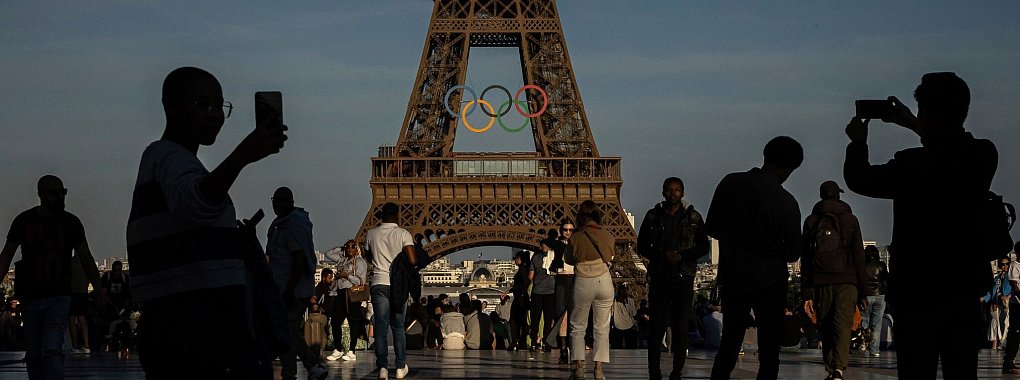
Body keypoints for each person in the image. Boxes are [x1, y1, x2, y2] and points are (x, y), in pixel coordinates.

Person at [126, 66, 288, 379]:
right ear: (170, 106)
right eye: (203, 104)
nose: (214, 114)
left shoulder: (176, 161)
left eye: (220, 106)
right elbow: (196, 202)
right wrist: (243, 154)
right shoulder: (166, 156)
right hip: (194, 325)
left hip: (185, 323)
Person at [844, 72, 998, 378]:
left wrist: (858, 144)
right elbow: (951, 151)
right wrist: (915, 123)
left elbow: (859, 179)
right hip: (964, 284)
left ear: (925, 112)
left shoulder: (910, 165)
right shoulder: (983, 155)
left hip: (917, 289)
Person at [706, 136, 803, 380]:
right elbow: (793, 252)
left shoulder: (731, 183)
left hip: (734, 274)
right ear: (790, 169)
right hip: (770, 280)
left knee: (729, 343)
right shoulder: (787, 202)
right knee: (769, 349)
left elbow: (713, 228)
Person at [0, 175, 102, 379]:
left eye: (62, 193)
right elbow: (86, 259)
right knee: (43, 351)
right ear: (41, 194)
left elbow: (7, 255)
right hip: (41, 294)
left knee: (46, 350)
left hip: (50, 294)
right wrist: (98, 290)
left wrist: (99, 289)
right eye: (56, 193)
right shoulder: (68, 222)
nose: (60, 197)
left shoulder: (26, 220)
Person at [637, 176, 711, 380]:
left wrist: (681, 256)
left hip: (683, 277)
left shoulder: (693, 217)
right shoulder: (653, 216)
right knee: (657, 328)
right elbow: (641, 245)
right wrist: (663, 256)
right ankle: (655, 372)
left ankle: (676, 371)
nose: (672, 193)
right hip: (661, 277)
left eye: (676, 190)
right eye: (669, 190)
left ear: (682, 193)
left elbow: (704, 246)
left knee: (680, 328)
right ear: (663, 192)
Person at [801, 180, 867, 380]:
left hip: (821, 281)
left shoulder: (811, 221)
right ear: (838, 195)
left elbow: (806, 259)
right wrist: (863, 291)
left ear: (821, 195)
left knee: (826, 324)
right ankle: (839, 368)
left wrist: (807, 293)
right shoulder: (851, 220)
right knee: (843, 324)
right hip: (847, 281)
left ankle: (831, 368)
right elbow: (858, 257)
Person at [266, 187, 328, 379]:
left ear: (290, 202)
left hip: (290, 289)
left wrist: (288, 289)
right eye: (274, 201)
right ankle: (309, 367)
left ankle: (293, 372)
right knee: (289, 331)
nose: (277, 205)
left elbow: (299, 259)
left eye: (280, 201)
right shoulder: (287, 223)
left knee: (286, 331)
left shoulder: (289, 225)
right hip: (290, 288)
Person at [364, 202, 418, 379]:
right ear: (397, 216)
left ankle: (383, 368)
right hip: (397, 285)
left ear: (380, 216)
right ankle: (401, 367)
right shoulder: (403, 233)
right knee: (398, 328)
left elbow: (369, 257)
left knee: (380, 329)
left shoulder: (371, 234)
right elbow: (412, 260)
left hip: (378, 282)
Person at [564, 200, 616, 380]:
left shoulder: (575, 237)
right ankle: (598, 370)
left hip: (583, 281)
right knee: (602, 328)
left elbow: (569, 260)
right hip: (604, 280)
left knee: (577, 327)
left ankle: (579, 368)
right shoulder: (607, 235)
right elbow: (610, 256)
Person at [324, 239, 368, 362]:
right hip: (340, 293)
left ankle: (351, 351)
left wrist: (346, 275)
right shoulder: (342, 260)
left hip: (351, 294)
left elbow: (361, 282)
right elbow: (328, 253)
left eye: (353, 246)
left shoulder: (360, 262)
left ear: (357, 248)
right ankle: (338, 348)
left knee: (353, 322)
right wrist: (341, 248)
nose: (350, 249)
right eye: (347, 247)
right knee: (335, 321)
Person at [544, 222, 576, 364]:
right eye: (565, 230)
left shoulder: (577, 244)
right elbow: (546, 241)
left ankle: (574, 349)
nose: (568, 232)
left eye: (570, 230)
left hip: (575, 278)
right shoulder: (557, 245)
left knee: (575, 316)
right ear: (560, 231)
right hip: (562, 279)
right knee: (561, 316)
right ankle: (564, 351)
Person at [529, 235, 557, 352]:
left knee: (535, 319)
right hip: (550, 291)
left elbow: (530, 276)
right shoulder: (555, 257)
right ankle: (546, 343)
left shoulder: (535, 258)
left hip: (537, 292)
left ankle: (533, 343)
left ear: (541, 246)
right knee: (548, 319)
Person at [861, 245, 888, 356]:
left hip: (866, 296)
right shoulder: (881, 265)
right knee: (877, 325)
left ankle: (863, 344)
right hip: (880, 296)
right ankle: (874, 350)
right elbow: (886, 279)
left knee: (864, 322)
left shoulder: (862, 266)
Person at [983, 257, 1011, 351]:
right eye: (1003, 264)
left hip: (1007, 303)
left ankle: (1001, 344)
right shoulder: (997, 277)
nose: (1005, 266)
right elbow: (991, 291)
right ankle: (994, 346)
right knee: (994, 323)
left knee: (1005, 323)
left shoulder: (1012, 276)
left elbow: (1016, 289)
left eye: (1007, 264)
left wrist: (1008, 296)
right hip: (996, 303)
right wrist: (984, 298)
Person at [68, 252, 92, 355]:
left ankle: (75, 345)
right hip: (83, 293)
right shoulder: (86, 262)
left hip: (72, 292)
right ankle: (86, 345)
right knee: (82, 319)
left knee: (72, 319)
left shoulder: (71, 262)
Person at [508, 251, 531, 351]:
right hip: (522, 297)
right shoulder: (524, 268)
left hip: (520, 298)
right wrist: (509, 290)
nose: (514, 260)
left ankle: (514, 342)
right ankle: (521, 342)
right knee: (521, 321)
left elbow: (526, 282)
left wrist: (521, 295)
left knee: (514, 320)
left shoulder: (522, 268)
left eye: (516, 258)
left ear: (521, 258)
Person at [1004, 241, 1020, 373]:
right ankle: (1008, 361)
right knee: (1015, 332)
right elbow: (1014, 285)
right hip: (1017, 305)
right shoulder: (1014, 265)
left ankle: (1010, 360)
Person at [609, 285, 638, 349]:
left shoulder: (614, 301)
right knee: (630, 346)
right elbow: (634, 313)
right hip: (629, 325)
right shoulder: (630, 301)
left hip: (618, 325)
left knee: (618, 346)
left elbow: (611, 313)